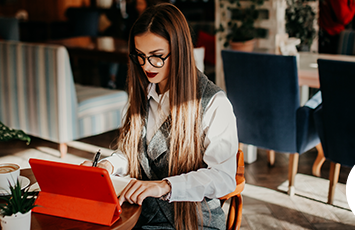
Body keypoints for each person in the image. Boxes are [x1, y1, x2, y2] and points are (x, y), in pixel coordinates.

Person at [79, 3, 238, 230]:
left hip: (193, 222)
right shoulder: (145, 90)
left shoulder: (213, 103)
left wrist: (165, 186)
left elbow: (223, 178)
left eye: (157, 56)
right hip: (142, 215)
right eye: (140, 56)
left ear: (180, 50)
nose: (147, 66)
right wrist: (108, 166)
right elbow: (133, 152)